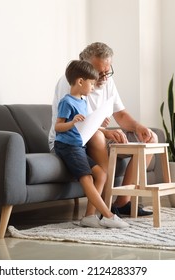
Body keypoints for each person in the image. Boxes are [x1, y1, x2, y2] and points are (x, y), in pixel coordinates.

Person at [49, 42, 158, 217]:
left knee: (151, 139)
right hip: (72, 138)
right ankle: (106, 206)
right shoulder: (70, 83)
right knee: (98, 137)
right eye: (100, 73)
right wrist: (105, 131)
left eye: (108, 71)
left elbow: (120, 115)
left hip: (96, 132)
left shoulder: (108, 81)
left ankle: (122, 203)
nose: (105, 77)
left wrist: (138, 127)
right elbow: (74, 125)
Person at [54, 60, 129, 228]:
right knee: (87, 177)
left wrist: (100, 122)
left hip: (78, 145)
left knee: (101, 174)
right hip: (67, 147)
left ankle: (89, 216)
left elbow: (85, 123)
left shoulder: (82, 101)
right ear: (80, 81)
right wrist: (72, 122)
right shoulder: (67, 102)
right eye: (92, 84)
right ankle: (108, 215)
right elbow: (58, 127)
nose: (94, 88)